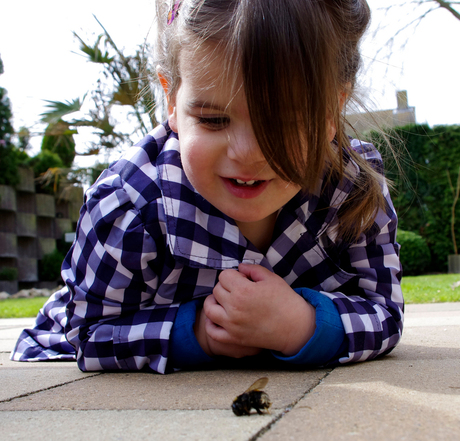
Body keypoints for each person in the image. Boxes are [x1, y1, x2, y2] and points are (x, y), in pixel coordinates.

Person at [11, 0, 403, 374]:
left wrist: (304, 324)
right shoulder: (129, 205)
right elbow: (88, 333)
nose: (248, 153)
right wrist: (197, 332)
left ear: (334, 108)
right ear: (171, 99)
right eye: (214, 120)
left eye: (282, 124)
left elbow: (384, 311)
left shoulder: (353, 190)